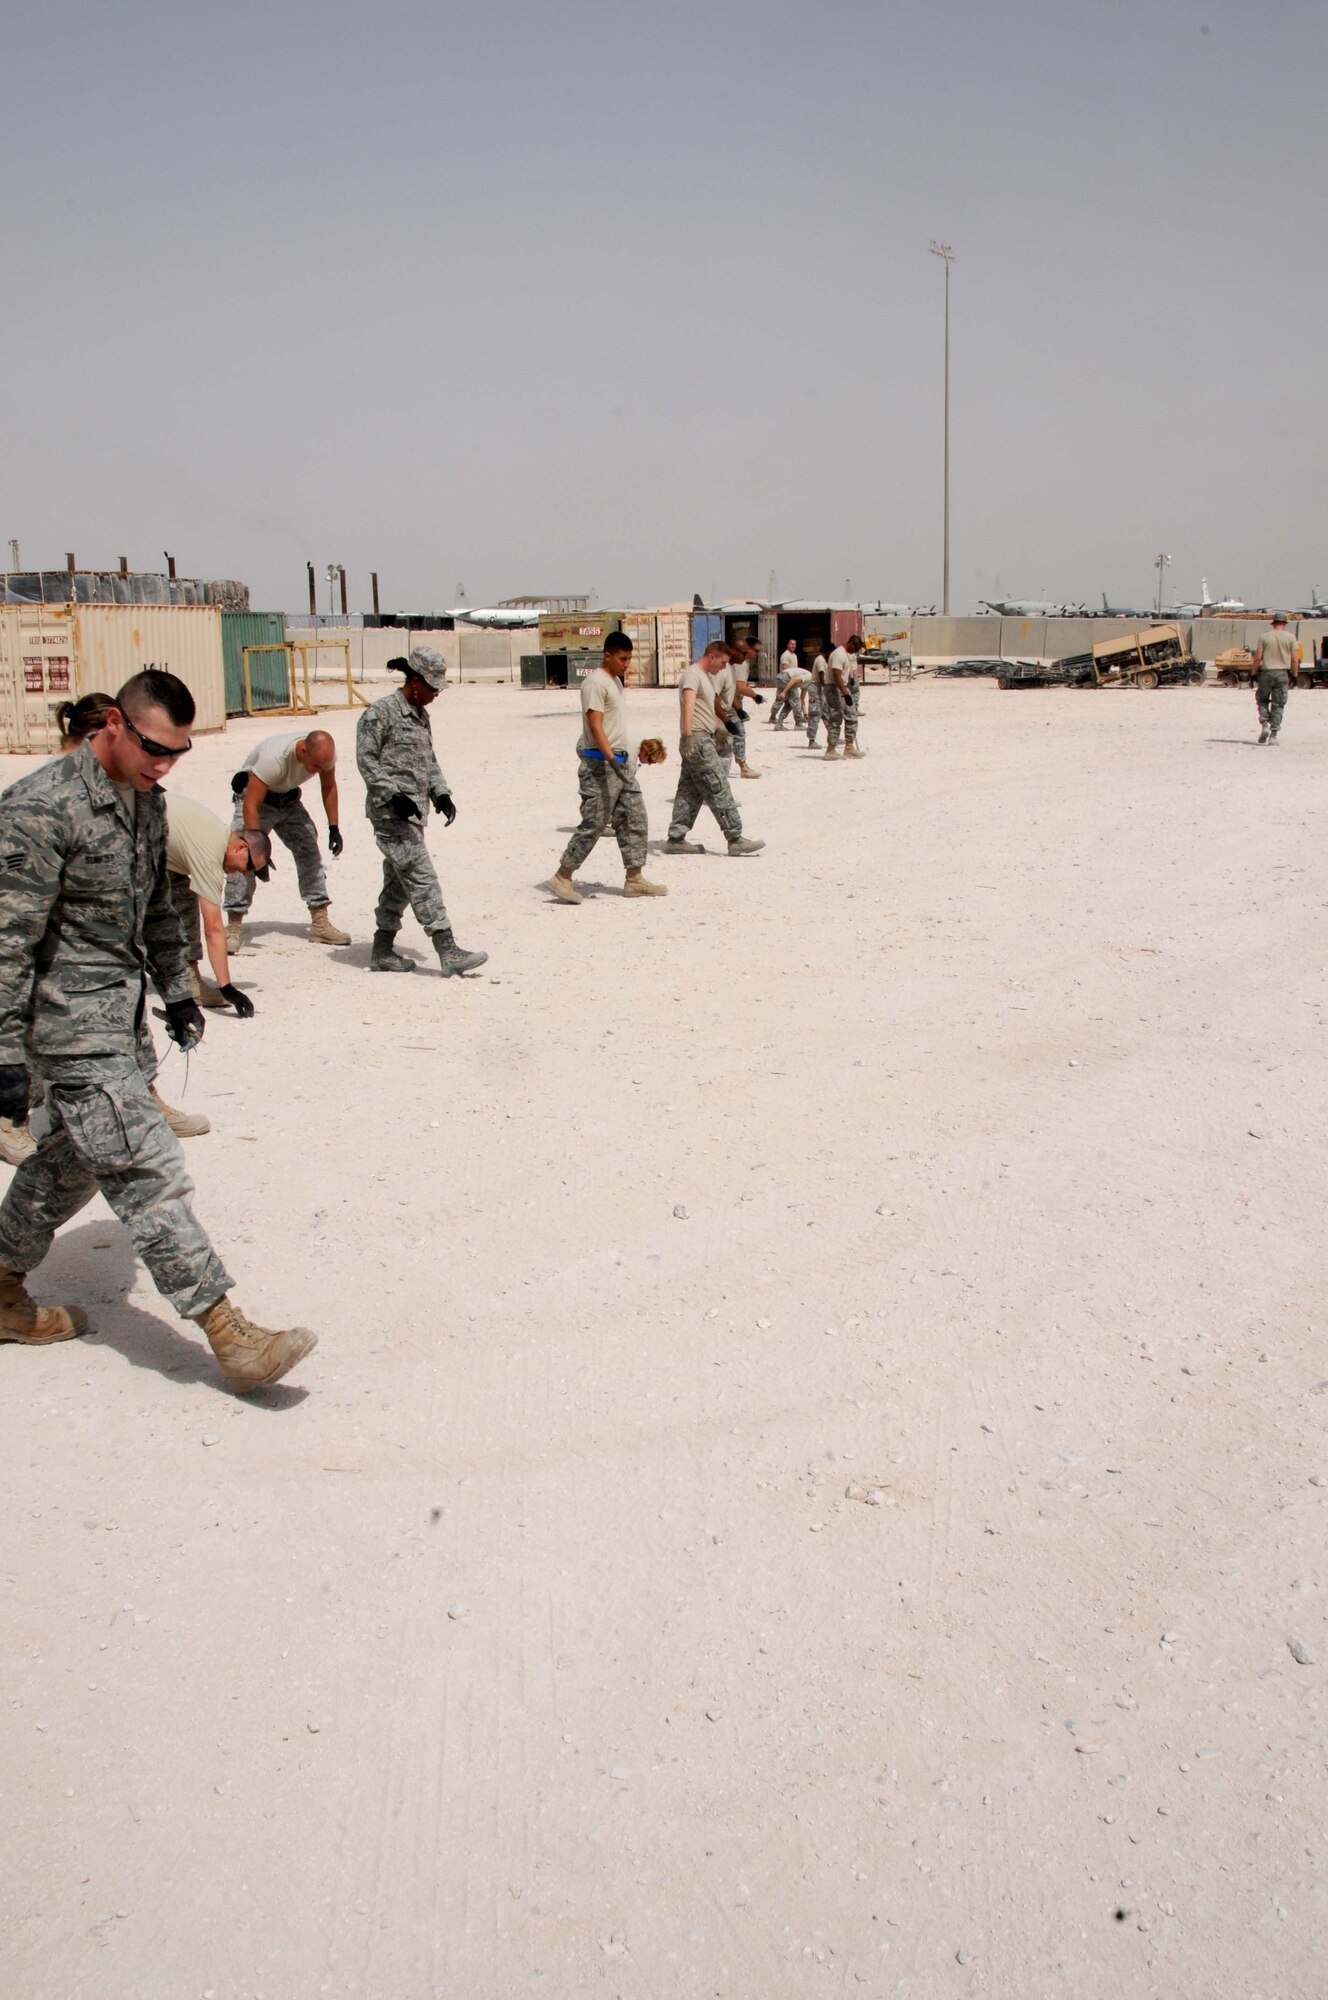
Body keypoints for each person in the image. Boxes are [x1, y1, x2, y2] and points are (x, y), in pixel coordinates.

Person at [0, 669, 316, 1389]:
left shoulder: (147, 803)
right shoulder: (38, 809)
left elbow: (158, 910)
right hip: (66, 1031)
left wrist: (177, 993)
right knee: (147, 1168)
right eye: (153, 747)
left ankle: (1, 1288)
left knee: (67, 1168)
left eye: (176, 753)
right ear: (112, 722)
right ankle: (227, 1331)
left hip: (119, 1023)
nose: (164, 764)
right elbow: (6, 941)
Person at [356, 648, 487, 975]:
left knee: (398, 885)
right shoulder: (380, 713)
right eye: (432, 688)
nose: (436, 694)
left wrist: (441, 793)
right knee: (422, 878)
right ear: (416, 683)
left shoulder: (420, 716)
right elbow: (366, 760)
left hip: (415, 816)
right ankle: (448, 949)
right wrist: (392, 794)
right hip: (390, 816)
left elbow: (428, 760)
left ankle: (382, 950)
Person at [544, 632, 667, 904]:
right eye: (622, 658)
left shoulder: (615, 683)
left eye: (629, 659)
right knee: (595, 822)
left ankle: (634, 878)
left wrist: (620, 761)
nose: (626, 664)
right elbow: (595, 724)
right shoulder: (595, 683)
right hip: (601, 764)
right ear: (607, 655)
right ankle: (563, 876)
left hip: (621, 763)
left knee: (635, 817)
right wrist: (610, 757)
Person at [223, 727, 350, 952]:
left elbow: (328, 785)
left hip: (288, 798)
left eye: (324, 766)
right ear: (302, 751)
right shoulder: (274, 759)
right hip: (256, 798)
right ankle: (233, 926)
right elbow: (251, 804)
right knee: (242, 855)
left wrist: (334, 827)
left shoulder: (323, 755)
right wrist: (255, 847)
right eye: (317, 766)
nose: (320, 771)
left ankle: (320, 921)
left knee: (309, 850)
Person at [166, 794, 268, 1016]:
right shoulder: (211, 854)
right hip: (124, 833)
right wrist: (227, 988)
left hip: (150, 838)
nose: (243, 873)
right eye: (248, 865)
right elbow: (213, 929)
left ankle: (189, 978)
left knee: (183, 896)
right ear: (241, 848)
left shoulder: (218, 835)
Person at [663, 643, 765, 857]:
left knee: (689, 790)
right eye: (723, 662)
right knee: (718, 786)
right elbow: (689, 703)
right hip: (698, 740)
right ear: (711, 656)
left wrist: (722, 725)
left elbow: (708, 705)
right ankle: (735, 837)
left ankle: (676, 837)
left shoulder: (703, 676)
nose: (723, 667)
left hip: (701, 736)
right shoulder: (693, 675)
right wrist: (688, 734)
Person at [713, 635, 765, 778]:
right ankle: (717, 787)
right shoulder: (724, 668)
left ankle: (736, 771)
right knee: (721, 749)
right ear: (734, 650)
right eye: (744, 652)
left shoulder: (731, 667)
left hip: (728, 708)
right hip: (719, 713)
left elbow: (730, 690)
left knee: (728, 743)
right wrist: (726, 720)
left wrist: (738, 709)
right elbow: (715, 697)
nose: (748, 655)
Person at [1252, 613, 1300, 744]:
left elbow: (1258, 657)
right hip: (1282, 674)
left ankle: (1265, 724)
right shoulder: (1290, 638)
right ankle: (1273, 735)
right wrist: (1295, 675)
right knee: (1278, 704)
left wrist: (1253, 673)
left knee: (1262, 700)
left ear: (1273, 623)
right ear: (1284, 624)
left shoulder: (1264, 637)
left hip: (1267, 672)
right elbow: (1295, 659)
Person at [824, 634, 866, 758]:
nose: (855, 652)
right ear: (852, 644)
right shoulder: (838, 654)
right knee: (836, 719)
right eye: (856, 649)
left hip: (843, 688)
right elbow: (836, 674)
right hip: (835, 689)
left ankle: (849, 746)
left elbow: (842, 674)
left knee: (852, 716)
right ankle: (831, 750)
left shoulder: (845, 654)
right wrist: (844, 692)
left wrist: (849, 681)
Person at [771, 643, 808, 728]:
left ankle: (779, 722)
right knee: (787, 700)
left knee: (788, 702)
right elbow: (785, 669)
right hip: (787, 680)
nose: (793, 645)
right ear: (787, 645)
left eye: (795, 644)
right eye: (791, 644)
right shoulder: (785, 655)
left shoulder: (794, 655)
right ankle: (773, 716)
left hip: (791, 680)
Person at [806, 645, 829, 748]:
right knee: (815, 714)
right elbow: (821, 674)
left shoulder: (824, 660)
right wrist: (826, 687)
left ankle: (833, 735)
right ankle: (812, 740)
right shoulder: (820, 659)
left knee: (827, 713)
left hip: (821, 688)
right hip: (816, 688)